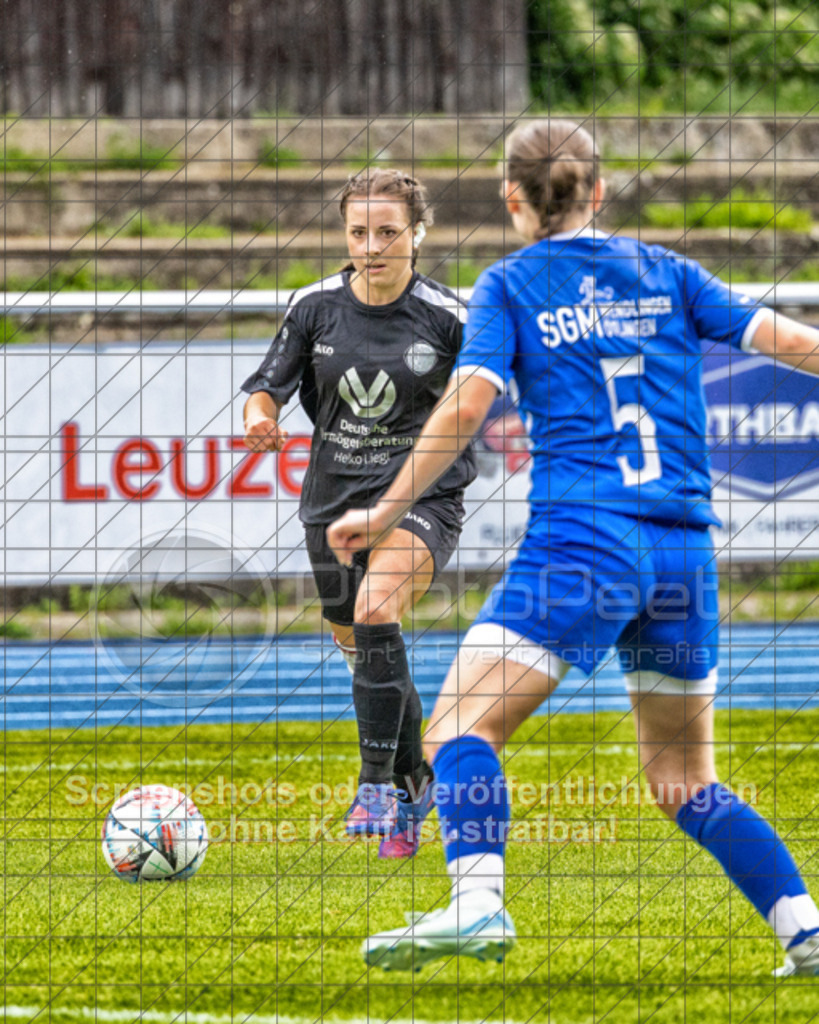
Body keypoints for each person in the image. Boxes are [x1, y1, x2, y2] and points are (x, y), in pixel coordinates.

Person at [328, 120, 819, 975]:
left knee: (454, 729)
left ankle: (476, 904)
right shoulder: (664, 272)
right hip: (681, 557)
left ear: (511, 200)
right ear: (597, 191)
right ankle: (803, 929)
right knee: (681, 778)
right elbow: (794, 344)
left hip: (583, 543)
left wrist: (384, 508)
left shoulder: (510, 284)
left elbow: (464, 407)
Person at [242, 168, 477, 859]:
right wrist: (259, 419)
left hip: (421, 497)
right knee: (365, 649)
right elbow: (266, 387)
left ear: (417, 233)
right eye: (356, 232)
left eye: (386, 232)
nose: (370, 246)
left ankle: (374, 782)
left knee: (377, 610)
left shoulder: (449, 317)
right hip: (332, 503)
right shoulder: (314, 307)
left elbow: (490, 392)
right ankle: (413, 780)